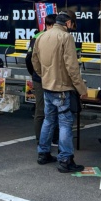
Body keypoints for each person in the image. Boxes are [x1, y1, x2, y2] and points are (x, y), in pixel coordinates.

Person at [32, 10, 88, 173]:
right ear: (68, 23)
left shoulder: (42, 36)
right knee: (65, 123)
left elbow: (34, 61)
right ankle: (65, 159)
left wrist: (44, 75)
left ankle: (43, 153)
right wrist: (81, 88)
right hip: (62, 87)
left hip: (47, 85)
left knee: (49, 120)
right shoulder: (66, 37)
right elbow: (72, 66)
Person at [25, 13, 57, 142]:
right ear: (50, 25)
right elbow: (29, 58)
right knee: (41, 109)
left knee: (51, 109)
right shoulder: (38, 37)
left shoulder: (55, 36)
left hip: (50, 78)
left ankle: (51, 137)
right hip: (41, 78)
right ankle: (40, 139)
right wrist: (35, 73)